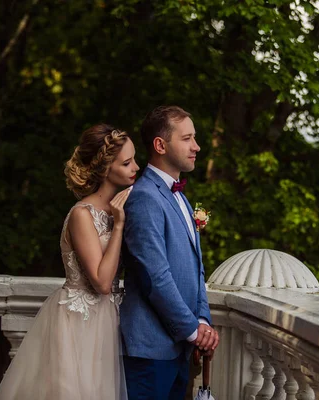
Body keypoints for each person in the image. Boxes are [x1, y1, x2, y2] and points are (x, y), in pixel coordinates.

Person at [0, 124, 139, 400]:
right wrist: (118, 226)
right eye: (127, 162)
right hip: (78, 323)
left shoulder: (119, 208)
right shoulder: (82, 215)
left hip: (107, 320)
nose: (136, 167)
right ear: (106, 168)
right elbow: (102, 282)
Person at [120, 106, 219, 399]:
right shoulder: (145, 198)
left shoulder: (182, 199)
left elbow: (196, 269)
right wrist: (192, 330)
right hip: (149, 351)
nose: (196, 146)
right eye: (187, 138)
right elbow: (155, 277)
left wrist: (203, 322)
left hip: (180, 349)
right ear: (160, 145)